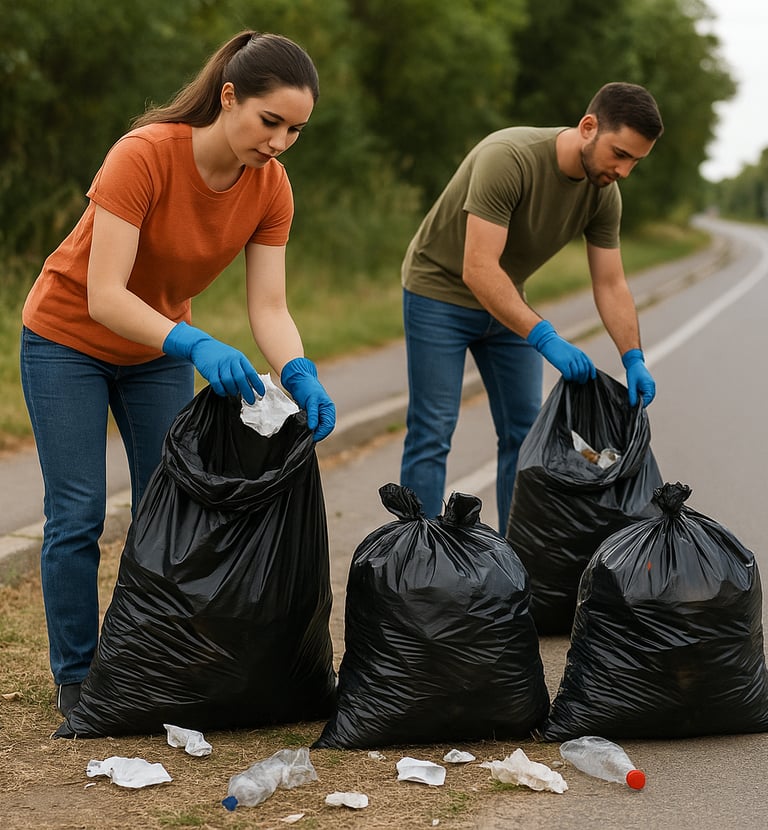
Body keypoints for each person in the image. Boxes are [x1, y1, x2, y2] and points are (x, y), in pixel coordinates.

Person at [19, 30, 336, 718]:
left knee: (170, 511)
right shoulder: (145, 156)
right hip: (66, 340)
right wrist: (194, 343)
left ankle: (151, 667)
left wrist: (299, 368)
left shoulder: (270, 187)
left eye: (296, 130)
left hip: (154, 353)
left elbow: (270, 307)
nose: (280, 142)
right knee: (76, 516)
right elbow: (104, 294)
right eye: (269, 121)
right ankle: (77, 679)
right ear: (229, 97)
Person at [399, 82, 662, 532]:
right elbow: (478, 268)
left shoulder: (604, 194)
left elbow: (611, 283)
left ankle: (511, 561)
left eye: (635, 161)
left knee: (523, 436)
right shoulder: (509, 157)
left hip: (505, 301)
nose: (624, 170)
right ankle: (414, 562)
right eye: (620, 154)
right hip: (437, 292)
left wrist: (633, 356)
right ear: (588, 127)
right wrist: (546, 338)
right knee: (433, 432)